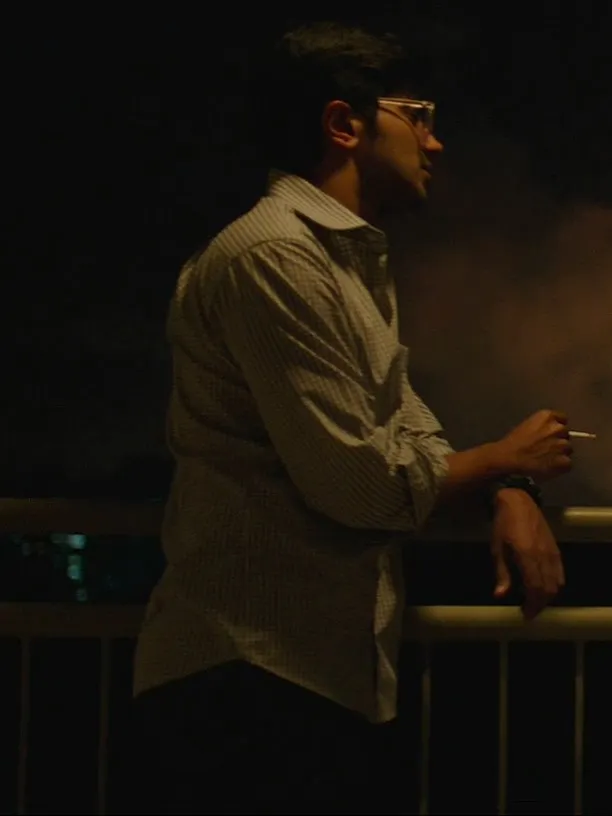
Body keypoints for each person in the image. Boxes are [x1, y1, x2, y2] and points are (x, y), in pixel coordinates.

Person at [129, 22, 572, 814]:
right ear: (343, 124)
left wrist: (504, 486)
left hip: (303, 677)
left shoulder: (339, 260)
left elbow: (411, 430)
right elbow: (362, 485)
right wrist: (508, 460)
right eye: (418, 116)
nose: (435, 142)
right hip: (247, 683)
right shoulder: (274, 257)